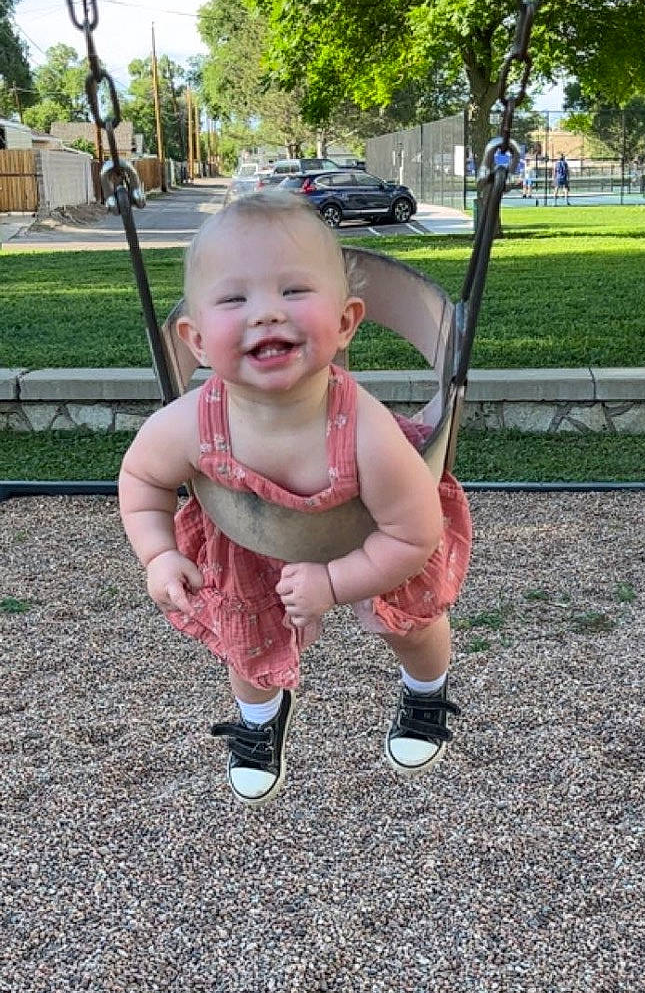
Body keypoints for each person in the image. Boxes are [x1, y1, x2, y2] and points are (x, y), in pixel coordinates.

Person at [118, 192, 473, 805]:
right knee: (245, 641)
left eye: (294, 291)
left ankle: (425, 688)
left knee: (412, 624)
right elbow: (142, 482)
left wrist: (332, 583)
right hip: (246, 540)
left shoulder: (368, 434)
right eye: (235, 299)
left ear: (345, 323)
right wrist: (158, 554)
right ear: (195, 340)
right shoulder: (188, 424)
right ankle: (259, 717)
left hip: (373, 535)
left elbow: (414, 536)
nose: (266, 314)